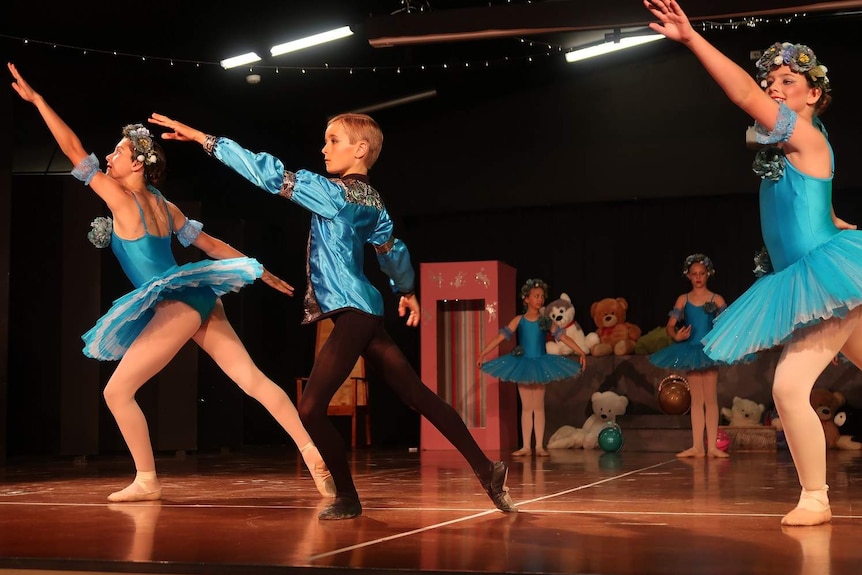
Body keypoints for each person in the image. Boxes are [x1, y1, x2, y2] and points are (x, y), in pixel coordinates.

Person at [147, 111, 518, 520]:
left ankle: (347, 497)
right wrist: (407, 290)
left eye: (334, 140)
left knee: (309, 409)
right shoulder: (374, 201)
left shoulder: (332, 193)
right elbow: (392, 251)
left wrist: (205, 139)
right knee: (417, 395)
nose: (324, 148)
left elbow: (266, 172)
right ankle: (488, 470)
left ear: (360, 149)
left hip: (354, 311)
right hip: (364, 310)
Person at [7, 63, 335, 503]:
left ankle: (147, 479)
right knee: (250, 378)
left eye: (118, 152)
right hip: (198, 297)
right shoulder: (164, 204)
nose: (109, 157)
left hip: (174, 301)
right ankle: (312, 451)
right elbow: (213, 245)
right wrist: (260, 270)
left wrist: (39, 102)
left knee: (117, 391)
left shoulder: (120, 197)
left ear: (139, 161)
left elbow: (71, 148)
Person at [644, 0, 862, 526]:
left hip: (821, 277)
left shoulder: (806, 136)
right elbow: (825, 215)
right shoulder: (798, 149)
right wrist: (845, 230)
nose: (772, 87)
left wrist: (693, 39)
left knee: (788, 387)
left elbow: (741, 92)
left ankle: (816, 497)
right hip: (818, 276)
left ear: (814, 93)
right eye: (771, 81)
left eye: (786, 80)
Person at [477, 278, 586, 457]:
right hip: (523, 363)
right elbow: (500, 337)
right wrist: (483, 353)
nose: (540, 299)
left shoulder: (544, 321)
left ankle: (539, 446)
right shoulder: (519, 320)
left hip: (541, 363)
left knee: (539, 406)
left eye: (542, 296)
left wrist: (580, 351)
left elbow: (563, 337)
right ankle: (527, 446)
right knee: (527, 407)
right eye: (536, 296)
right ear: (526, 299)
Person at [649, 254, 727, 459]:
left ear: (708, 274)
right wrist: (677, 335)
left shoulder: (716, 299)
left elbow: (726, 325)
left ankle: (711, 447)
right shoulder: (683, 299)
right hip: (691, 351)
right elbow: (670, 327)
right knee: (696, 400)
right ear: (688, 276)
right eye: (694, 274)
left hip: (709, 351)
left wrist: (716, 336)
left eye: (702, 273)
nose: (698, 278)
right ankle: (697, 447)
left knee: (710, 399)